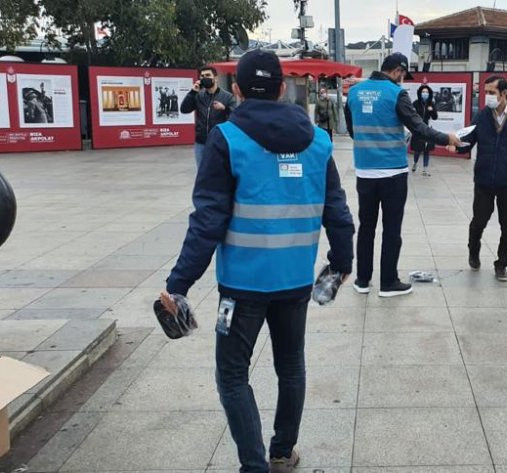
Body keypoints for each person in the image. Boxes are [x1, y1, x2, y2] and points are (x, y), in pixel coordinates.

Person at [161, 49, 355, 473]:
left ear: (238, 91)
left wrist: (179, 283)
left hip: (241, 287)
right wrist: (342, 262)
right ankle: (283, 452)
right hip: (294, 284)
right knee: (291, 366)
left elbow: (207, 220)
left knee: (232, 375)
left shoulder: (227, 139)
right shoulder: (320, 142)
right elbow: (337, 211)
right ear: (283, 89)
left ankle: (254, 466)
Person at [344, 52, 462, 297]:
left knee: (366, 227)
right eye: (402, 75)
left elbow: (353, 130)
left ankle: (362, 281)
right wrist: (447, 138)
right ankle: (388, 283)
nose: (402, 80)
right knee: (391, 228)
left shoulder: (354, 93)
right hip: (392, 172)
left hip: (365, 172)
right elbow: (418, 127)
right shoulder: (397, 94)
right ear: (397, 71)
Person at [451, 75, 507, 282]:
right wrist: (456, 146)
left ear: (504, 94)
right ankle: (473, 251)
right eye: (485, 92)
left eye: (491, 93)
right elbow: (468, 141)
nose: (487, 97)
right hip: (484, 181)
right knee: (478, 222)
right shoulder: (482, 116)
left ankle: (502, 264)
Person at [181, 66, 239, 167]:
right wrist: (192, 92)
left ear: (215, 78)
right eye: (202, 76)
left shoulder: (227, 97)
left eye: (207, 75)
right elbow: (184, 109)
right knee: (201, 172)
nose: (204, 78)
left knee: (219, 172)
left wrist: (224, 108)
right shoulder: (198, 96)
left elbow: (235, 117)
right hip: (201, 143)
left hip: (219, 142)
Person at [411, 85, 438, 176]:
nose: (425, 93)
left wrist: (432, 110)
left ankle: (425, 169)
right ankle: (415, 163)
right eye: (423, 92)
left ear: (429, 93)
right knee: (417, 150)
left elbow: (435, 117)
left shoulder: (431, 104)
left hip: (428, 129)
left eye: (426, 92)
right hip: (418, 129)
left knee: (427, 150)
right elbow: (411, 115)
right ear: (420, 93)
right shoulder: (415, 103)